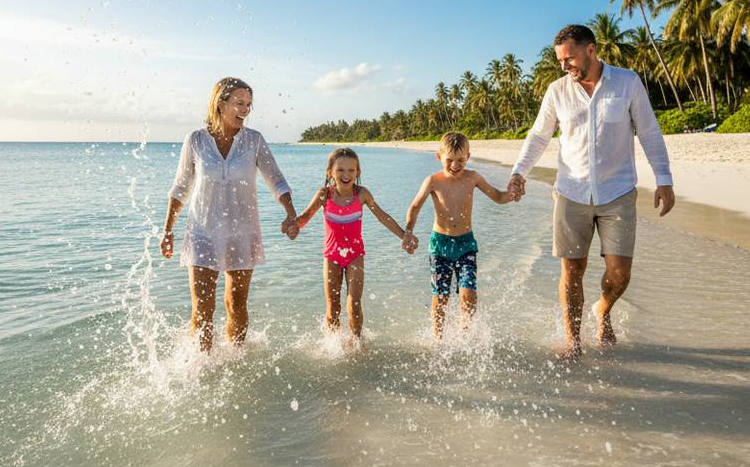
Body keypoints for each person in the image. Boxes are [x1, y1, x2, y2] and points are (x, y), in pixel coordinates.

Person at [508, 24, 675, 358]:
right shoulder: (557, 91)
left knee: (619, 273)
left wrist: (664, 178)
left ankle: (603, 309)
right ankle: (573, 341)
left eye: (568, 59)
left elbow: (649, 131)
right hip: (571, 192)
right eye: (560, 60)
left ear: (591, 50)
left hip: (618, 191)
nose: (564, 66)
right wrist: (518, 172)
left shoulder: (627, 82)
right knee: (572, 270)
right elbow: (539, 135)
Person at [160, 77, 299, 352]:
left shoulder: (254, 141)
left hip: (242, 231)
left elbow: (277, 180)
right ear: (220, 104)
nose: (245, 110)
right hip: (202, 230)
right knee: (203, 306)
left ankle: (236, 361)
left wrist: (290, 214)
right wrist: (168, 230)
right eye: (239, 103)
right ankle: (202, 365)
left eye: (248, 104)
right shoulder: (196, 140)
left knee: (236, 304)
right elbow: (180, 188)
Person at [294, 148, 417, 342]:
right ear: (330, 173)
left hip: (355, 255)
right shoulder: (324, 195)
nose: (346, 175)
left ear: (358, 172)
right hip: (331, 256)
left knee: (354, 302)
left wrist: (404, 235)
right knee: (333, 306)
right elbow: (304, 218)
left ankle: (357, 342)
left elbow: (383, 217)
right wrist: (292, 226)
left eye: (351, 170)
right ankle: (333, 344)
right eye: (340, 170)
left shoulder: (362, 195)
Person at [405, 132, 518, 337]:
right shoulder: (433, 180)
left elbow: (497, 197)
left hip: (466, 244)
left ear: (468, 156)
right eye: (449, 160)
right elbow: (414, 207)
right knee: (441, 296)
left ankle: (465, 335)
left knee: (469, 294)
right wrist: (408, 232)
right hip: (439, 245)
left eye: (461, 160)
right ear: (439, 157)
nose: (455, 165)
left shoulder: (473, 177)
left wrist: (511, 195)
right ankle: (438, 337)